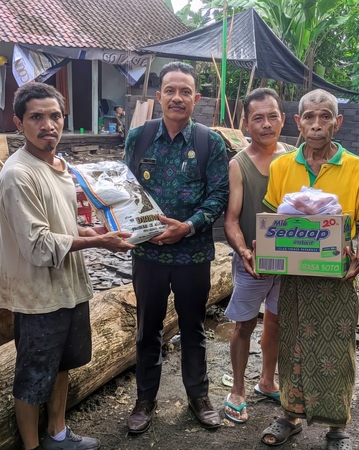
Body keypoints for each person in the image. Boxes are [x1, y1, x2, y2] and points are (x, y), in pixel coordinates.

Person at [0, 82, 134, 450]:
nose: (48, 125)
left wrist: (91, 230)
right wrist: (99, 242)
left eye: (55, 116)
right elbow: (38, 244)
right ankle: (32, 446)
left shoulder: (59, 166)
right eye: (36, 117)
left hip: (68, 287)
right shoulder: (18, 174)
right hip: (37, 295)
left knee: (62, 365)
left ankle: (57, 434)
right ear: (19, 123)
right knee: (31, 379)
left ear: (63, 119)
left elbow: (63, 224)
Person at [260, 89, 359, 449]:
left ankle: (337, 427)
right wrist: (262, 250)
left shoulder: (356, 168)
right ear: (298, 123)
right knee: (291, 344)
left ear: (337, 123)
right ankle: (289, 417)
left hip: (336, 279)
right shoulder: (282, 167)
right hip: (295, 278)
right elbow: (272, 222)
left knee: (337, 350)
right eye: (309, 117)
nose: (316, 124)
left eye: (325, 116)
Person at [123, 62, 230, 433]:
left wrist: (188, 226)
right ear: (159, 96)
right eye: (170, 90)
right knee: (147, 329)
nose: (177, 98)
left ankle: (199, 397)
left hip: (192, 255)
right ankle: (144, 400)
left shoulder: (209, 142)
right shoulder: (138, 138)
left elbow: (219, 195)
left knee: (193, 329)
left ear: (196, 98)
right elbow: (125, 190)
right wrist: (132, 229)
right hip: (148, 253)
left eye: (185, 91)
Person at [222, 88, 287, 423]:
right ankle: (237, 389)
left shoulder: (295, 158)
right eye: (258, 118)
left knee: (275, 323)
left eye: (272, 116)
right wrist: (244, 251)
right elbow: (231, 219)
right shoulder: (239, 164)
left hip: (289, 262)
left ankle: (267, 381)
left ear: (283, 119)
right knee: (244, 324)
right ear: (246, 124)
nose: (266, 124)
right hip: (253, 262)